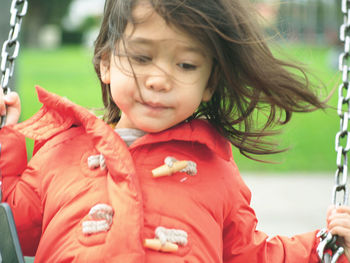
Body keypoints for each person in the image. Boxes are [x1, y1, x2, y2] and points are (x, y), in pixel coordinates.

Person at [0, 0, 350, 262]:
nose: (159, 80)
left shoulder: (215, 171)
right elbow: (14, 229)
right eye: (141, 57)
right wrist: (5, 141)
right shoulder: (62, 151)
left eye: (185, 64)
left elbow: (251, 254)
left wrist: (324, 248)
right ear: (105, 62)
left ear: (209, 83)